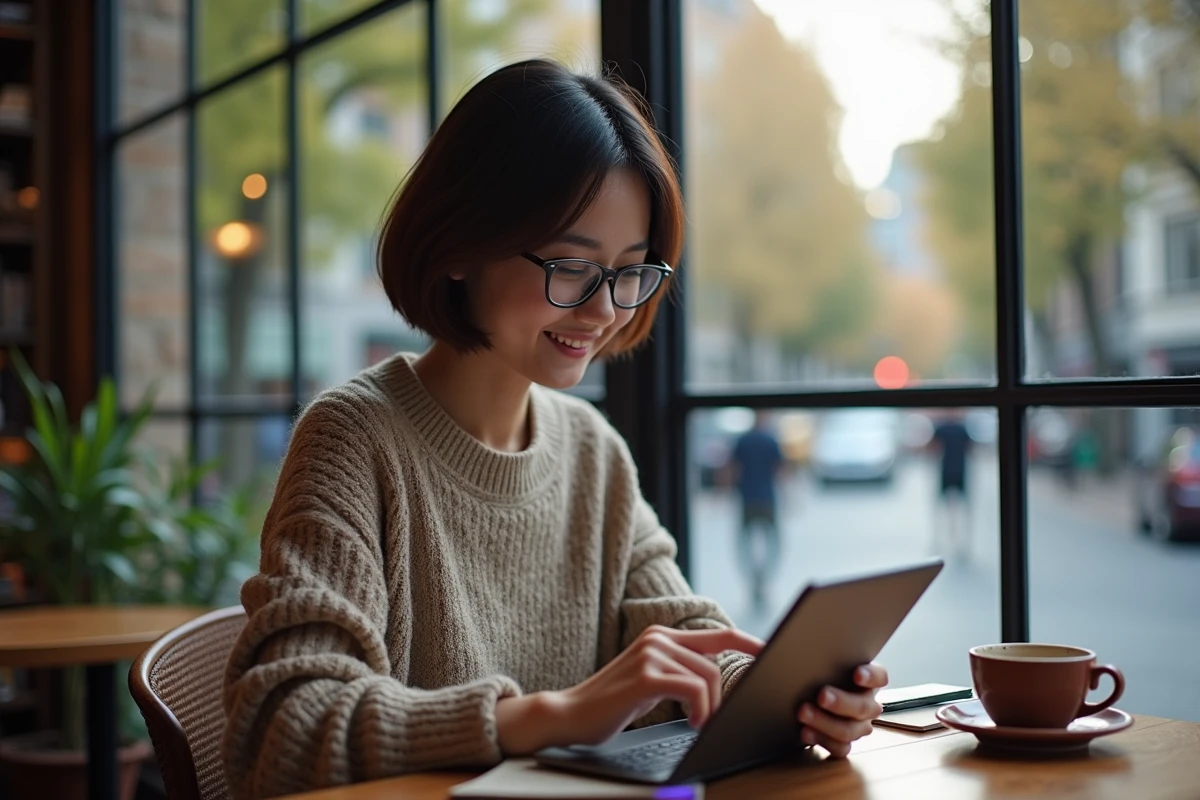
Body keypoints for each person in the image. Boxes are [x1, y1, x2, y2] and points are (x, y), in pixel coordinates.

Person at [221, 60, 887, 798]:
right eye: (572, 265)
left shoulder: (591, 450)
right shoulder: (354, 437)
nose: (605, 310)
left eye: (631, 271)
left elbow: (682, 633)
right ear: (461, 245)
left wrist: (788, 697)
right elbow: (283, 727)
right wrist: (548, 715)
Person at [729, 411, 786, 611]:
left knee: (745, 543)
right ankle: (762, 576)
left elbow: (732, 470)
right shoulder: (770, 440)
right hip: (767, 500)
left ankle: (754, 576)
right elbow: (779, 470)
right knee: (773, 543)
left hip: (747, 499)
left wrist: (724, 493)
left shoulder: (743, 441)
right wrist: (788, 497)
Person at [932, 410, 972, 554]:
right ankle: (955, 540)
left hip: (949, 470)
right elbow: (970, 448)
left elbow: (933, 448)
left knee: (948, 506)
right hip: (957, 470)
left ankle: (954, 540)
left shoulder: (945, 428)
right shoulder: (960, 428)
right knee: (956, 507)